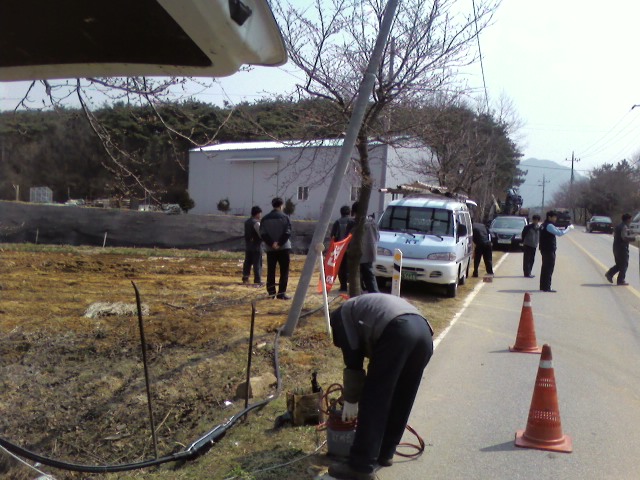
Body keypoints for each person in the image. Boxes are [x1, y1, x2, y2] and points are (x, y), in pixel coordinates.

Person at [327, 293, 434, 480]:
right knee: (402, 396)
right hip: (424, 334)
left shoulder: (342, 317)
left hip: (398, 331)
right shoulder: (362, 308)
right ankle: (386, 453)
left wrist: (352, 400)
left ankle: (360, 466)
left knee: (374, 399)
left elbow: (354, 363)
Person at [259, 197, 293, 299]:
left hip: (270, 249)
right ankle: (281, 293)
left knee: (271, 271)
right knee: (284, 271)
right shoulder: (285, 217)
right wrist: (280, 243)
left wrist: (272, 243)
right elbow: (288, 232)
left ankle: (271, 293)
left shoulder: (265, 218)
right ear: (281, 205)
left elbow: (263, 233)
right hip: (284, 247)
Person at [348, 202, 379, 293]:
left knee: (361, 274)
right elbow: (378, 236)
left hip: (358, 252)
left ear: (354, 211)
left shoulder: (354, 223)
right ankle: (372, 292)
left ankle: (372, 293)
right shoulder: (373, 222)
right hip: (370, 251)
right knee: (369, 273)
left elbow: (348, 238)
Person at [539, 210, 573, 292]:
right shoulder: (549, 225)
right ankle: (547, 287)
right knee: (549, 268)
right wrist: (569, 229)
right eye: (554, 217)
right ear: (549, 217)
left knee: (545, 268)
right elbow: (560, 233)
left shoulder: (543, 225)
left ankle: (543, 286)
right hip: (549, 249)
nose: (555, 219)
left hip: (544, 248)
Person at [605, 213, 636, 286]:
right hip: (622, 248)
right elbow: (624, 238)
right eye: (630, 219)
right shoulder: (624, 227)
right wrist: (635, 238)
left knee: (620, 264)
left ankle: (610, 274)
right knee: (624, 264)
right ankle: (620, 280)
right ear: (627, 219)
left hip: (616, 247)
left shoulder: (619, 226)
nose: (630, 221)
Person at [331, 205, 355, 292]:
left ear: (341, 213)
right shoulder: (353, 221)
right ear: (350, 212)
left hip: (340, 249)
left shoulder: (337, 222)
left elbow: (333, 236)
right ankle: (353, 286)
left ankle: (343, 286)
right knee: (352, 267)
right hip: (352, 248)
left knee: (341, 269)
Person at [242, 206, 263, 285]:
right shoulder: (256, 223)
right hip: (256, 246)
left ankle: (245, 277)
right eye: (260, 213)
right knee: (257, 263)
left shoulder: (247, 222)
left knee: (247, 262)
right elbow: (261, 234)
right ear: (257, 214)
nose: (260, 215)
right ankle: (257, 280)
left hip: (248, 246)